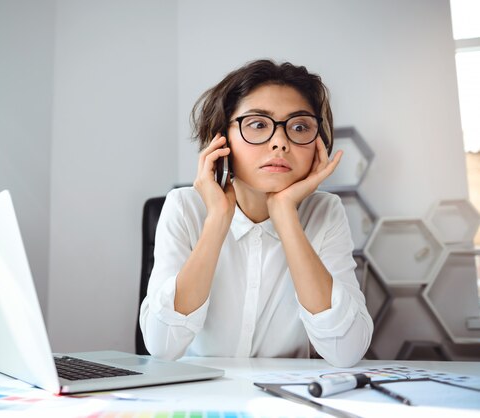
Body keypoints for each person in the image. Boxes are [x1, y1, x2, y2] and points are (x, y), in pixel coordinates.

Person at [139, 59, 373, 367]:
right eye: (258, 124)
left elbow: (347, 351)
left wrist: (286, 215)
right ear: (222, 139)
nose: (279, 142)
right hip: (199, 398)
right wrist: (217, 220)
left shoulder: (324, 212)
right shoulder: (184, 207)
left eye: (299, 127)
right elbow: (161, 345)